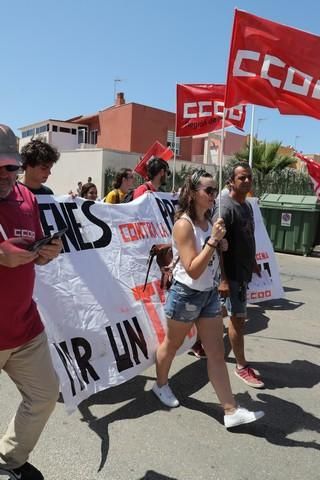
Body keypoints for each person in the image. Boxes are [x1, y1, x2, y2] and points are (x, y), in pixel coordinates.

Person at [152, 169, 264, 428]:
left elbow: (210, 259)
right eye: (209, 191)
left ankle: (230, 409)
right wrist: (213, 241)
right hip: (186, 294)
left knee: (215, 352)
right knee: (171, 345)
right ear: (193, 193)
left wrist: (219, 245)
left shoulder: (209, 220)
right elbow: (192, 268)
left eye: (215, 190)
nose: (214, 195)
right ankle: (161, 385)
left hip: (209, 294)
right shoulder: (184, 225)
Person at [0, 124, 62, 479]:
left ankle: (7, 461)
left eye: (11, 166)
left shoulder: (27, 197)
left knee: (44, 395)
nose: (6, 174)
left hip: (25, 328)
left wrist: (45, 252)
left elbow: (33, 241)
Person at [214, 162, 264, 388]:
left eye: (249, 177)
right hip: (231, 274)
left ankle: (196, 342)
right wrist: (223, 279)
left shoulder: (247, 205)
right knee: (238, 319)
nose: (246, 181)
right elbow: (216, 244)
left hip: (243, 271)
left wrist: (252, 261)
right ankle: (241, 366)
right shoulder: (225, 207)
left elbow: (247, 236)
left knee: (221, 310)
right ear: (231, 182)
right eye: (242, 178)